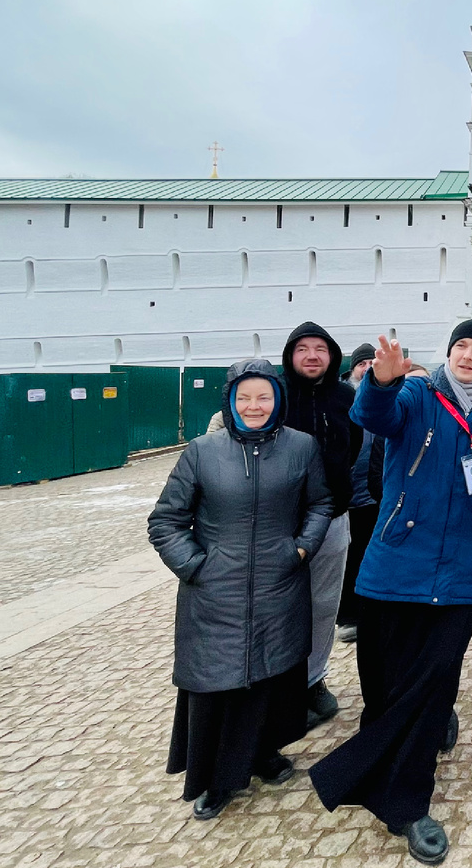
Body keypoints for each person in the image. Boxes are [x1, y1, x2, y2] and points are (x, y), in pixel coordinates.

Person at [310, 319, 472, 865]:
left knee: (433, 684)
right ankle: (381, 765)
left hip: (461, 569)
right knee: (383, 686)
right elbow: (373, 418)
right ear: (449, 353)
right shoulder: (416, 392)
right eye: (462, 346)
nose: (469, 355)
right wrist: (379, 384)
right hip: (396, 565)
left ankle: (407, 804)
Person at [148, 360, 333, 819]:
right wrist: (195, 566)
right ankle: (215, 776)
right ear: (231, 401)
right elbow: (166, 520)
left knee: (271, 675)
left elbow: (320, 502)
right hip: (215, 592)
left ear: (277, 400)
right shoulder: (202, 452)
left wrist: (302, 549)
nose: (254, 406)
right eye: (245, 397)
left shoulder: (301, 448)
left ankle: (265, 753)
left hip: (278, 584)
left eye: (264, 397)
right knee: (218, 683)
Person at [281, 322, 363, 729]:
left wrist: (329, 489)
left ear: (332, 356)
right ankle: (274, 684)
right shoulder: (275, 395)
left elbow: (355, 444)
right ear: (289, 355)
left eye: (320, 349)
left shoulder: (346, 396)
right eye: (302, 349)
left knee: (323, 603)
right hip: (277, 522)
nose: (312, 356)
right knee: (273, 604)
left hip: (331, 515)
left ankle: (313, 679)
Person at [337, 343, 386, 645]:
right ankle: (348, 615)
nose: (367, 367)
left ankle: (371, 612)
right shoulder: (342, 398)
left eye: (372, 362)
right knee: (349, 555)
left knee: (372, 553)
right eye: (362, 363)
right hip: (347, 492)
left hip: (375, 491)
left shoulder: (386, 396)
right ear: (353, 368)